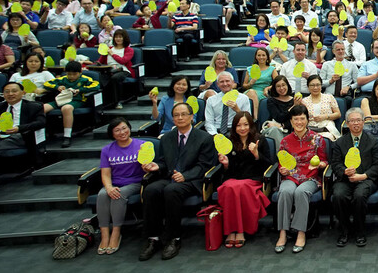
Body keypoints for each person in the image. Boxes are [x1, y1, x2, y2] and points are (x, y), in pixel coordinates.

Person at [138, 102, 216, 261]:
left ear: (191, 117)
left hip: (192, 180)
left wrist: (185, 176)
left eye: (183, 114)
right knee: (151, 190)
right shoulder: (166, 138)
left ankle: (174, 238)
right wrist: (155, 166)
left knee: (171, 191)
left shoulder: (204, 138)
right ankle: (153, 238)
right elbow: (163, 162)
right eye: (176, 115)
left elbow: (205, 165)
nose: (180, 118)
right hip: (169, 177)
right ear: (172, 119)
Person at [275, 104, 328, 254]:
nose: (299, 122)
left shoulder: (317, 139)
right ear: (291, 121)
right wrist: (282, 169)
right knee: (285, 192)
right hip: (291, 177)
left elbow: (324, 161)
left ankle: (300, 232)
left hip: (311, 178)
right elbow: (281, 163)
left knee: (301, 193)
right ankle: (283, 232)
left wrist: (320, 165)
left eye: (302, 119)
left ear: (307, 119)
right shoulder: (285, 141)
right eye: (296, 119)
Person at [216, 111, 273, 249]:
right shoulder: (229, 142)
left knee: (240, 188)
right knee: (228, 187)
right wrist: (226, 164)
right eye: (239, 125)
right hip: (234, 178)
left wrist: (257, 154)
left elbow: (269, 165)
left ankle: (241, 231)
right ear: (234, 127)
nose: (242, 128)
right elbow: (228, 170)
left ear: (251, 125)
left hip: (253, 179)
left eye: (246, 124)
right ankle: (230, 231)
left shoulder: (260, 139)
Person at [330, 107, 378, 247]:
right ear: (347, 123)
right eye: (352, 121)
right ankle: (345, 229)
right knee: (338, 195)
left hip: (365, 179)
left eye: (358, 120)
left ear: (363, 122)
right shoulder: (339, 142)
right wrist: (344, 171)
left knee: (360, 195)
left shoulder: (373, 141)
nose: (356, 124)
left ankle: (360, 231)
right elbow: (335, 163)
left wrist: (363, 176)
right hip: (345, 179)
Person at [96, 117, 145, 255]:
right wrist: (109, 187)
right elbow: (105, 174)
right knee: (102, 194)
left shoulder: (141, 145)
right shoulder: (107, 150)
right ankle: (104, 235)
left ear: (129, 128)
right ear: (112, 134)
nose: (122, 132)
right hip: (115, 182)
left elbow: (146, 168)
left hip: (134, 182)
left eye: (124, 128)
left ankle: (116, 233)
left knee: (119, 195)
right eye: (117, 130)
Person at [42, 61, 100, 148]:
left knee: (66, 108)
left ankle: (67, 136)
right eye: (69, 74)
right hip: (61, 100)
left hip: (77, 101)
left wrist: (80, 90)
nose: (71, 76)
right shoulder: (63, 79)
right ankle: (45, 133)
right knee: (41, 108)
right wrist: (57, 87)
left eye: (74, 74)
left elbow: (96, 86)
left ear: (80, 72)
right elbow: (47, 84)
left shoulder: (85, 79)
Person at [0, 81, 46, 163]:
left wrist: (19, 128)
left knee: (2, 145)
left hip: (21, 135)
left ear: (23, 93)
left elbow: (41, 122)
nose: (10, 94)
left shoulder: (34, 106)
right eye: (7, 92)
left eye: (14, 91)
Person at [301, 75, 341, 141]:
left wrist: (324, 116)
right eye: (312, 85)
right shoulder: (304, 101)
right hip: (311, 128)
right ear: (308, 87)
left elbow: (338, 114)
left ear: (321, 86)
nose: (315, 87)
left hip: (327, 127)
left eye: (318, 85)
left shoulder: (329, 97)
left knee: (323, 139)